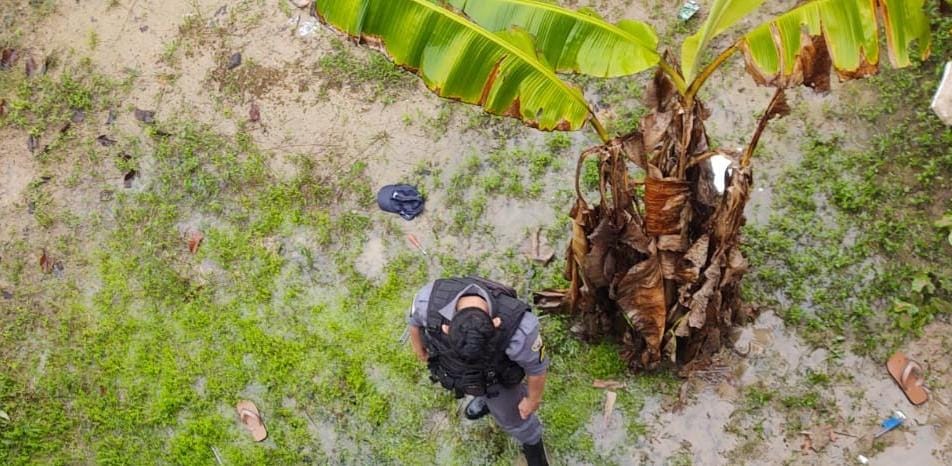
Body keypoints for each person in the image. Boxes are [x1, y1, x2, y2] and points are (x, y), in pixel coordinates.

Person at [407, 277, 550, 465]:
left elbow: (537, 368)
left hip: (497, 379)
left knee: (516, 420)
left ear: (497, 323)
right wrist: (418, 348)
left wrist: (532, 400)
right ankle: (483, 399)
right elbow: (413, 319)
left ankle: (534, 451)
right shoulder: (428, 301)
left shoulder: (521, 331)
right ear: (446, 328)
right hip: (463, 374)